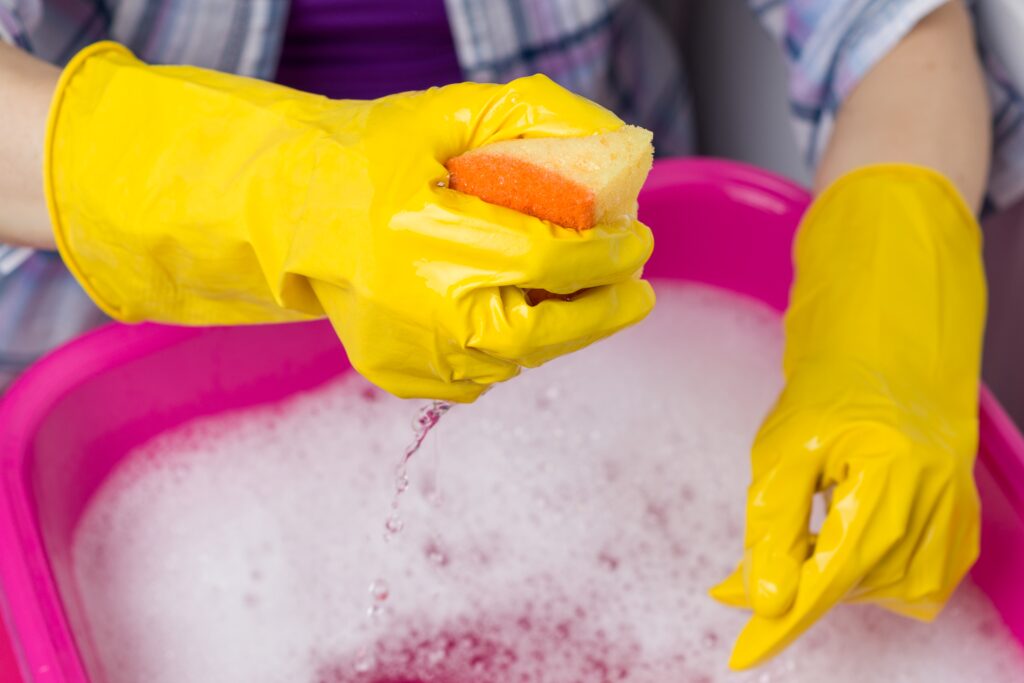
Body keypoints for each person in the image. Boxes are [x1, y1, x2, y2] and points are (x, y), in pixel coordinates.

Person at [0, 0, 1015, 670]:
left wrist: (889, 317)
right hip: (100, 337)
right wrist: (271, 193)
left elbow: (894, 33)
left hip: (580, 307)